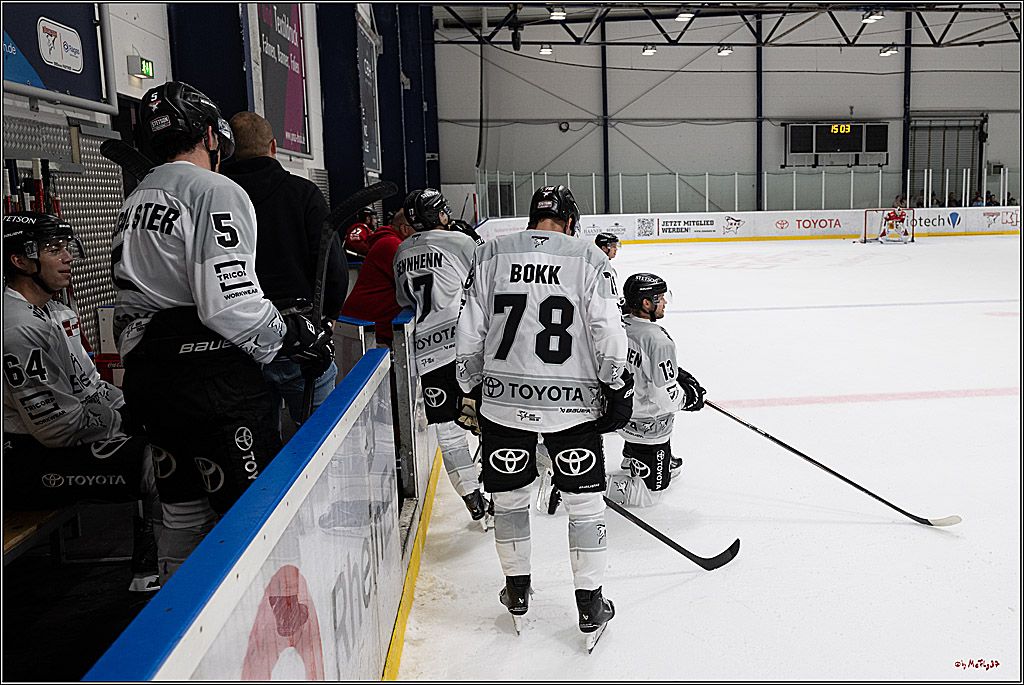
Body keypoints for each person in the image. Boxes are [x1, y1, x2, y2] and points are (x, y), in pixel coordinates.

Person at [112, 81, 334, 582]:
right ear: (211, 136)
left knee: (184, 506)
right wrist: (289, 335)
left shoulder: (137, 196)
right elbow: (227, 302)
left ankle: (175, 622)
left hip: (151, 377)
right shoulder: (215, 190)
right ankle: (262, 629)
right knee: (251, 512)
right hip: (210, 379)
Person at [455, 185, 631, 644]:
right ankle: (591, 606)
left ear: (532, 218)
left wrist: (471, 386)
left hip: (502, 403)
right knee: (584, 503)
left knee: (510, 501)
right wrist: (616, 386)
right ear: (571, 222)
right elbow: (608, 332)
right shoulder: (590, 258)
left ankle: (517, 592)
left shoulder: (491, 252)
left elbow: (470, 330)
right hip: (571, 409)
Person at [3, 211, 160, 592]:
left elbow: (90, 386)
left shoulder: (57, 311)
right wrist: (124, 421)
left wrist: (141, 412)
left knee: (168, 435)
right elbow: (58, 429)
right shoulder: (17, 328)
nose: (68, 256)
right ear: (20, 260)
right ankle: (154, 571)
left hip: (50, 444)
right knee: (158, 463)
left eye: (66, 246)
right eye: (54, 249)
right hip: (20, 461)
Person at [223, 111, 346, 433]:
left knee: (254, 444)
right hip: (301, 338)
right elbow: (330, 262)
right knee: (321, 439)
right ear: (274, 146)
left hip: (237, 339)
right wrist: (328, 317)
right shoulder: (303, 193)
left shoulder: (215, 197)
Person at [392, 188, 490, 525]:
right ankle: (503, 482)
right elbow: (485, 286)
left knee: (447, 430)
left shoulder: (401, 251)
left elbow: (405, 301)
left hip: (427, 355)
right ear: (441, 215)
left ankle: (472, 498)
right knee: (490, 416)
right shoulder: (461, 244)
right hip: (465, 347)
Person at [605, 273, 706, 507]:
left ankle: (633, 458)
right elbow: (667, 398)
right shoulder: (658, 340)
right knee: (651, 494)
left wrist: (672, 372)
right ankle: (581, 484)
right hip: (646, 426)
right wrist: (690, 398)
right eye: (660, 297)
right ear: (646, 303)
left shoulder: (618, 324)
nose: (665, 302)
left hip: (619, 413)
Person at [339, 208, 415, 345]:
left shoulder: (391, 242)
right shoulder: (392, 245)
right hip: (363, 333)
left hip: (368, 329)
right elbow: (415, 287)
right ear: (405, 229)